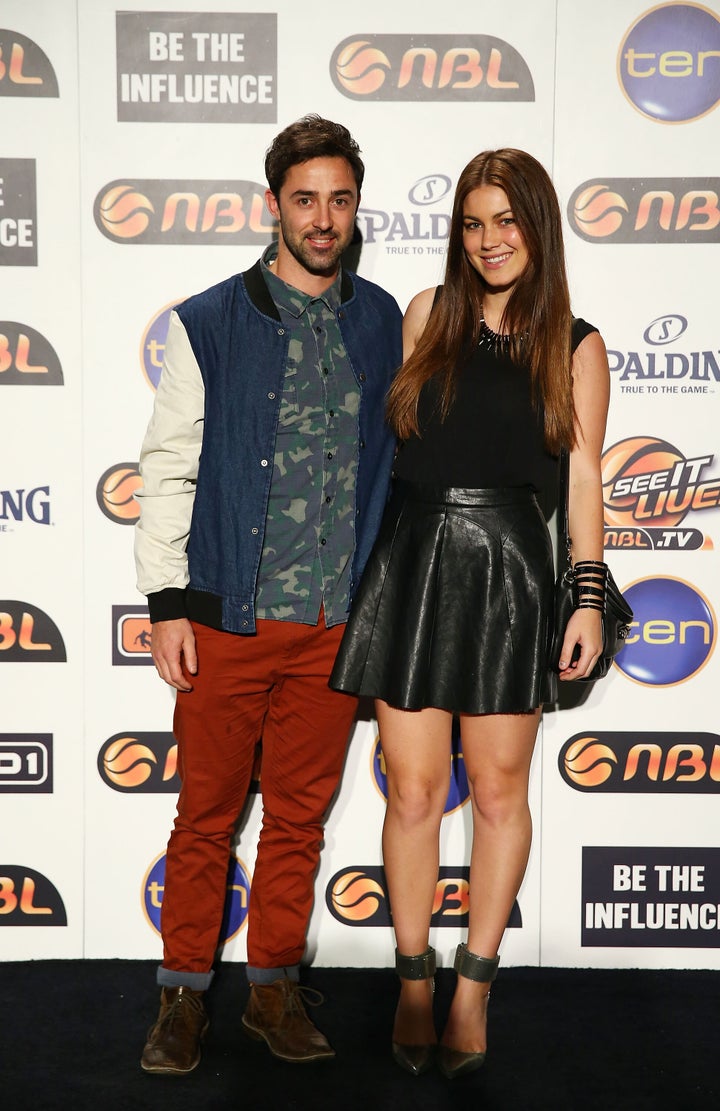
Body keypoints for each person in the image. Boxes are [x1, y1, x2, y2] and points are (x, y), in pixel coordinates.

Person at [330, 148, 610, 1079]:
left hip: (511, 572)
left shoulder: (575, 343)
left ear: (537, 227)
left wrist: (586, 593)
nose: (489, 241)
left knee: (496, 794)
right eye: (473, 222)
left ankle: (474, 985)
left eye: (507, 221)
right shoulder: (428, 315)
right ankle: (414, 977)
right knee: (411, 791)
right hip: (414, 562)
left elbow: (580, 478)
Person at [134, 114, 402, 1075]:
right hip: (228, 622)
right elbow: (167, 466)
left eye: (339, 200)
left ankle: (275, 989)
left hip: (333, 628)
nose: (323, 218)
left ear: (355, 207)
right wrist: (166, 601)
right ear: (273, 206)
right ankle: (182, 1000)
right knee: (205, 816)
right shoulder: (208, 320)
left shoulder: (383, 318)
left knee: (299, 817)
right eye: (305, 200)